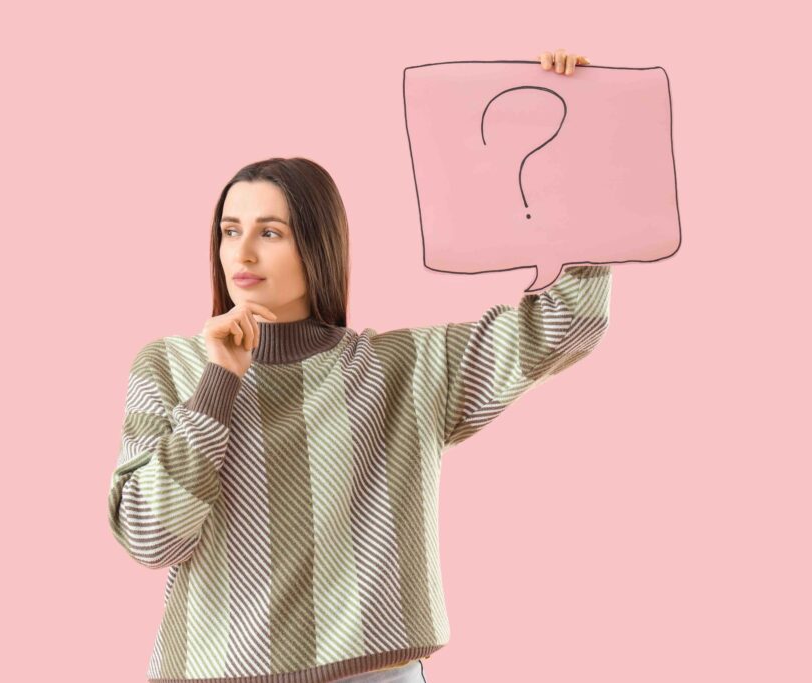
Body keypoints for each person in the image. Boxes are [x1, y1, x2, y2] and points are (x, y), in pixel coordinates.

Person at [108, 49, 605, 683]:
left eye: (270, 232)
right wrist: (219, 384)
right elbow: (151, 538)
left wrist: (572, 141)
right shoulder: (172, 366)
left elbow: (567, 322)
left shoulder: (403, 368)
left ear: (318, 244)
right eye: (230, 230)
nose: (243, 252)